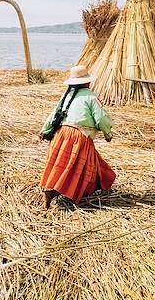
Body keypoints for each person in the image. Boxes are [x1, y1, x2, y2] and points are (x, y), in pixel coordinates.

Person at [39, 65, 116, 209]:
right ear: (87, 82)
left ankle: (50, 192)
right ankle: (62, 192)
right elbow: (101, 118)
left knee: (60, 165)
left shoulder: (67, 95)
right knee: (75, 167)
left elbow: (54, 113)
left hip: (61, 134)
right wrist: (108, 133)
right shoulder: (91, 97)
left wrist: (45, 130)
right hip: (78, 137)